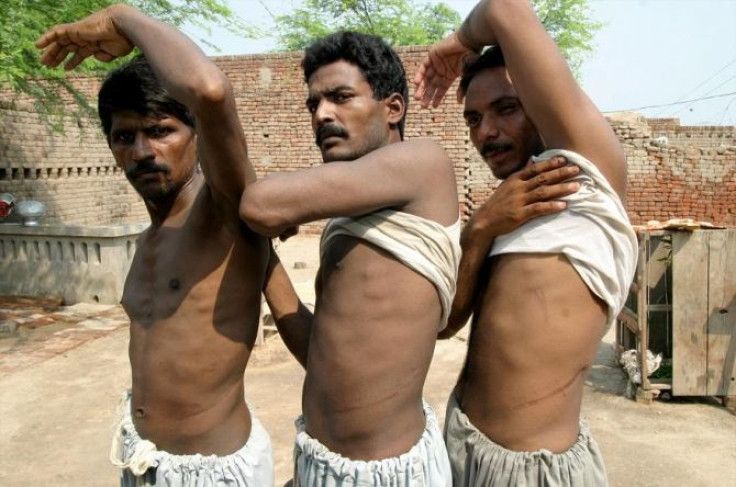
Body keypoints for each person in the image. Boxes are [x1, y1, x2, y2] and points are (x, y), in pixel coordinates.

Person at [36, 5, 273, 486]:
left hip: (212, 472)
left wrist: (124, 18)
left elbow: (210, 91)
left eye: (160, 131)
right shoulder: (149, 239)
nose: (142, 151)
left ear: (196, 136)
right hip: (143, 460)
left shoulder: (224, 213)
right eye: (124, 137)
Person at [413, 0, 638, 485]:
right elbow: (447, 324)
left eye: (506, 109)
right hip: (462, 443)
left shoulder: (585, 175)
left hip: (532, 472)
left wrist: (456, 46)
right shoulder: (509, 204)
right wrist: (480, 230)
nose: (487, 132)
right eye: (473, 119)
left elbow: (503, 7)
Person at [240, 31, 462, 486]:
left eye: (341, 97)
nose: (322, 114)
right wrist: (264, 261)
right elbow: (325, 357)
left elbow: (259, 204)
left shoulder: (424, 161)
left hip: (387, 474)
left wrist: (276, 214)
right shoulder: (349, 217)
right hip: (321, 463)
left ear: (393, 108)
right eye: (314, 104)